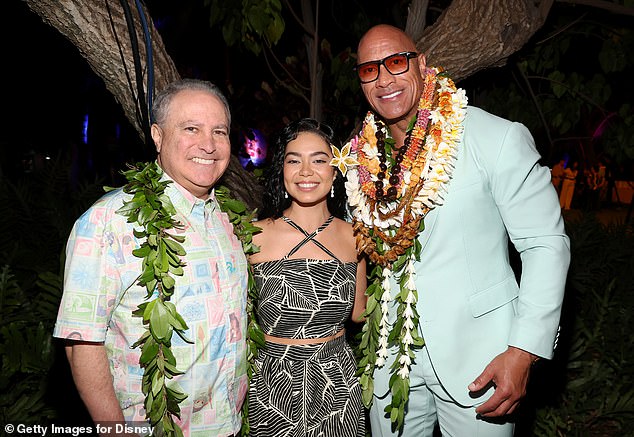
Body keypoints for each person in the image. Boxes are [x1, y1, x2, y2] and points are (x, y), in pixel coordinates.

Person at [344, 24, 571, 436]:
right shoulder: (359, 161)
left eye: (396, 62)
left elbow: (545, 245)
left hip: (482, 359)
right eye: (369, 70)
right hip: (390, 362)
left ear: (422, 64)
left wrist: (524, 352)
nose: (384, 79)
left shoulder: (494, 137)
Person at [53, 79, 249, 436]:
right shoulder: (109, 221)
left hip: (228, 426)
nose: (208, 144)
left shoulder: (229, 221)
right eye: (191, 128)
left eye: (219, 131)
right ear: (158, 136)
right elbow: (82, 342)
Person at [247, 118, 368, 436]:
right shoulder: (252, 236)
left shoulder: (358, 237)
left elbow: (359, 313)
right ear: (281, 169)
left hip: (337, 388)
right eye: (293, 160)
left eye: (318, 160)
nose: (305, 172)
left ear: (335, 168)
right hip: (270, 386)